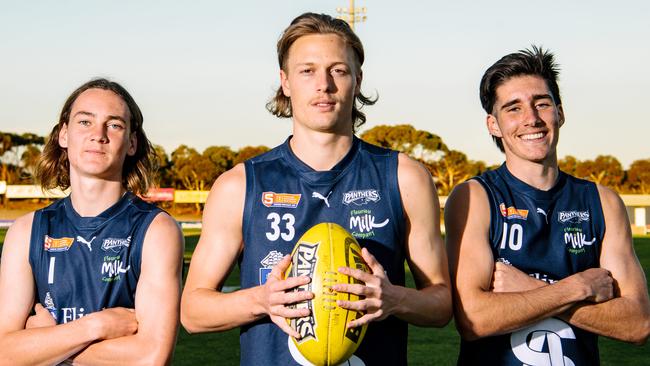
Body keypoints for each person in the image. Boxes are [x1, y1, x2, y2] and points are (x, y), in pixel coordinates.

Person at [181, 12, 452, 365]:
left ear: (357, 79)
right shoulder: (239, 185)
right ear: (285, 81)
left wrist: (395, 298)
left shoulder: (404, 177)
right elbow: (192, 311)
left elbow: (441, 303)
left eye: (338, 70)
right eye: (307, 70)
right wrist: (261, 300)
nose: (323, 84)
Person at [445, 46, 650, 365]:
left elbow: (638, 323)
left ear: (560, 112)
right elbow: (474, 319)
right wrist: (577, 287)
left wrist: (527, 288)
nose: (531, 119)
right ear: (493, 125)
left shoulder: (603, 202)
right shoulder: (475, 197)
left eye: (541, 103)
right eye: (513, 108)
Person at [0, 79, 183, 365]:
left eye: (114, 125)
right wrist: (94, 327)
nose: (98, 134)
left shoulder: (157, 230)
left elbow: (151, 356)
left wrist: (49, 342)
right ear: (63, 134)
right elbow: (4, 353)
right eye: (85, 121)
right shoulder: (26, 231)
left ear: (132, 142)